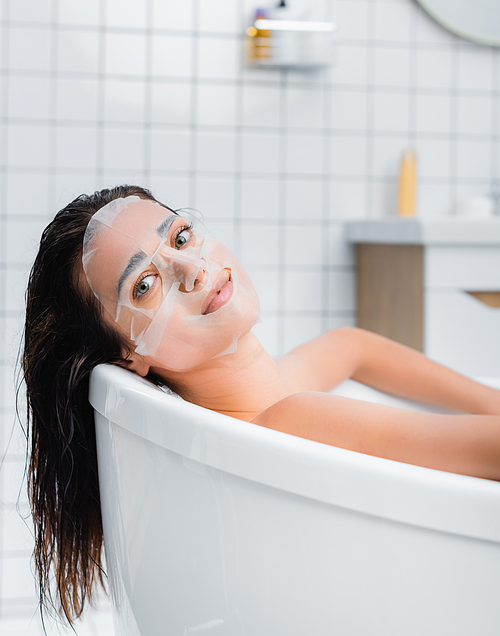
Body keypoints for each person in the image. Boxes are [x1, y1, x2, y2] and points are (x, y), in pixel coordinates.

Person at [23, 185, 500, 624]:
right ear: (126, 357)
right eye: (144, 286)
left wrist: (488, 400)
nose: (191, 270)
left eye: (182, 236)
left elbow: (352, 347)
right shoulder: (293, 421)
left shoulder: (273, 400)